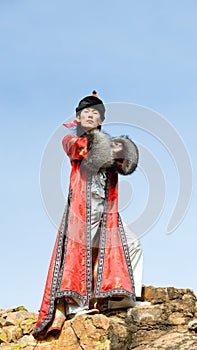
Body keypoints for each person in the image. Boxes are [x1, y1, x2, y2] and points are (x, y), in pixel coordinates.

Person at [33, 91, 144, 340]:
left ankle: (122, 298)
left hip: (107, 213)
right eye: (87, 113)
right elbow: (90, 152)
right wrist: (112, 147)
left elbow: (123, 161)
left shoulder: (107, 142)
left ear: (101, 119)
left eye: (96, 113)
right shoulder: (71, 141)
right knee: (78, 258)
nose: (91, 115)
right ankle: (76, 307)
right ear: (78, 118)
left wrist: (122, 149)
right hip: (82, 212)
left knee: (134, 245)